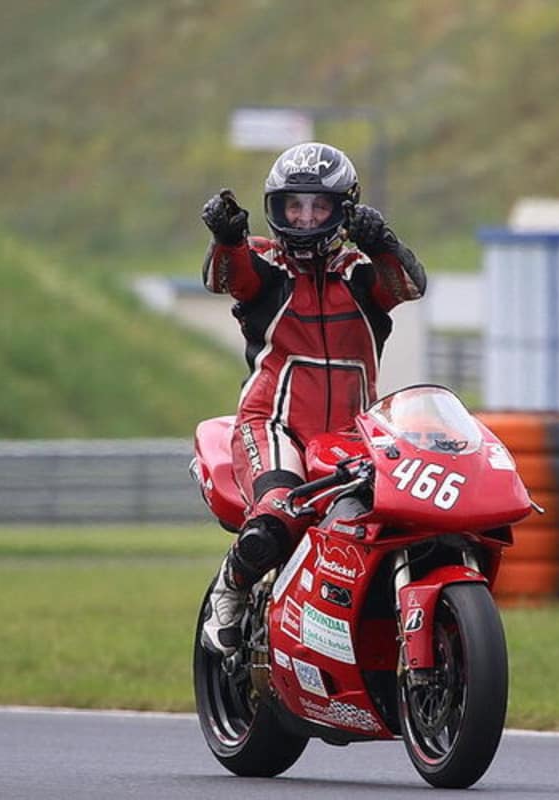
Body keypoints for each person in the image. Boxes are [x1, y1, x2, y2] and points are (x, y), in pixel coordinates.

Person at [198, 141, 427, 655]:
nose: (303, 219)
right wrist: (226, 238)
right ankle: (229, 589)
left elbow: (409, 285)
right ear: (275, 210)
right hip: (272, 425)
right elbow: (221, 278)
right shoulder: (264, 263)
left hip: (355, 431)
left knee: (396, 517)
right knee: (278, 514)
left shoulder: (360, 270)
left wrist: (385, 243)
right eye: (291, 206)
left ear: (343, 209)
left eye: (318, 206)